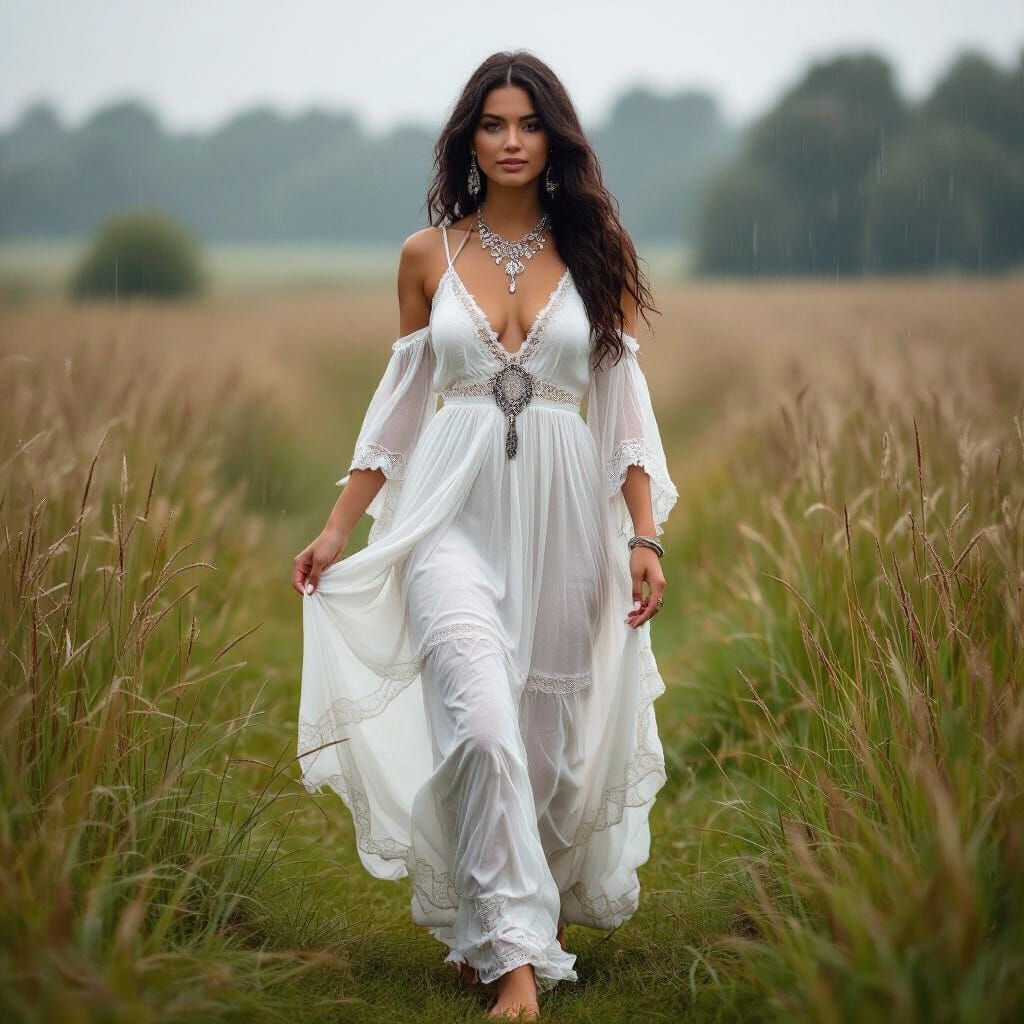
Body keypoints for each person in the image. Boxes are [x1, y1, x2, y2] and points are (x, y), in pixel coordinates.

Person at [292, 49, 678, 1022]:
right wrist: (340, 527)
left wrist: (644, 534)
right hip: (444, 517)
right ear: (469, 139)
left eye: (527, 124)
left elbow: (624, 409)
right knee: (481, 725)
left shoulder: (595, 254)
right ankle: (515, 968)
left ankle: (492, 919)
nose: (510, 141)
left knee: (542, 751)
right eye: (492, 124)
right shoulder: (427, 256)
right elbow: (401, 409)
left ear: (554, 139)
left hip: (561, 524)